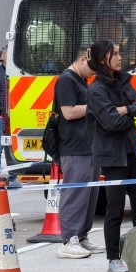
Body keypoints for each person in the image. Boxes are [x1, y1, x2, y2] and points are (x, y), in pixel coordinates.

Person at [86, 39, 136, 272]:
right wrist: (127, 113)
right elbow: (111, 121)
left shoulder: (123, 80)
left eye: (121, 53)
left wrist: (126, 110)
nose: (121, 57)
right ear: (104, 59)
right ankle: (114, 259)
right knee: (114, 210)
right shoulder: (96, 89)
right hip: (113, 158)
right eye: (116, 54)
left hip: (133, 152)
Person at [55, 46, 106, 259]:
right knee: (75, 194)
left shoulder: (81, 80)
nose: (94, 72)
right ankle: (69, 240)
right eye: (93, 66)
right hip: (74, 147)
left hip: (88, 145)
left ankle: (82, 237)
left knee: (89, 195)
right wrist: (96, 105)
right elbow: (68, 112)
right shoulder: (66, 80)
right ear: (83, 59)